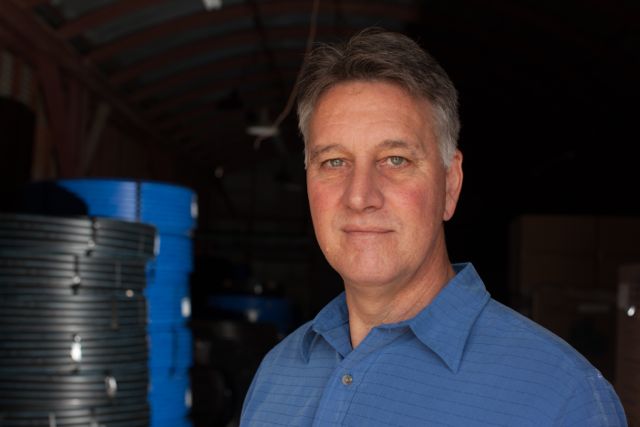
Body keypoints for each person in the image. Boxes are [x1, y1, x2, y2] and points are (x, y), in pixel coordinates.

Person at [240, 28, 626, 426]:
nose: (360, 196)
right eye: (334, 162)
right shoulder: (278, 374)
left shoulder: (560, 397)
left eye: (395, 160)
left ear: (450, 185)